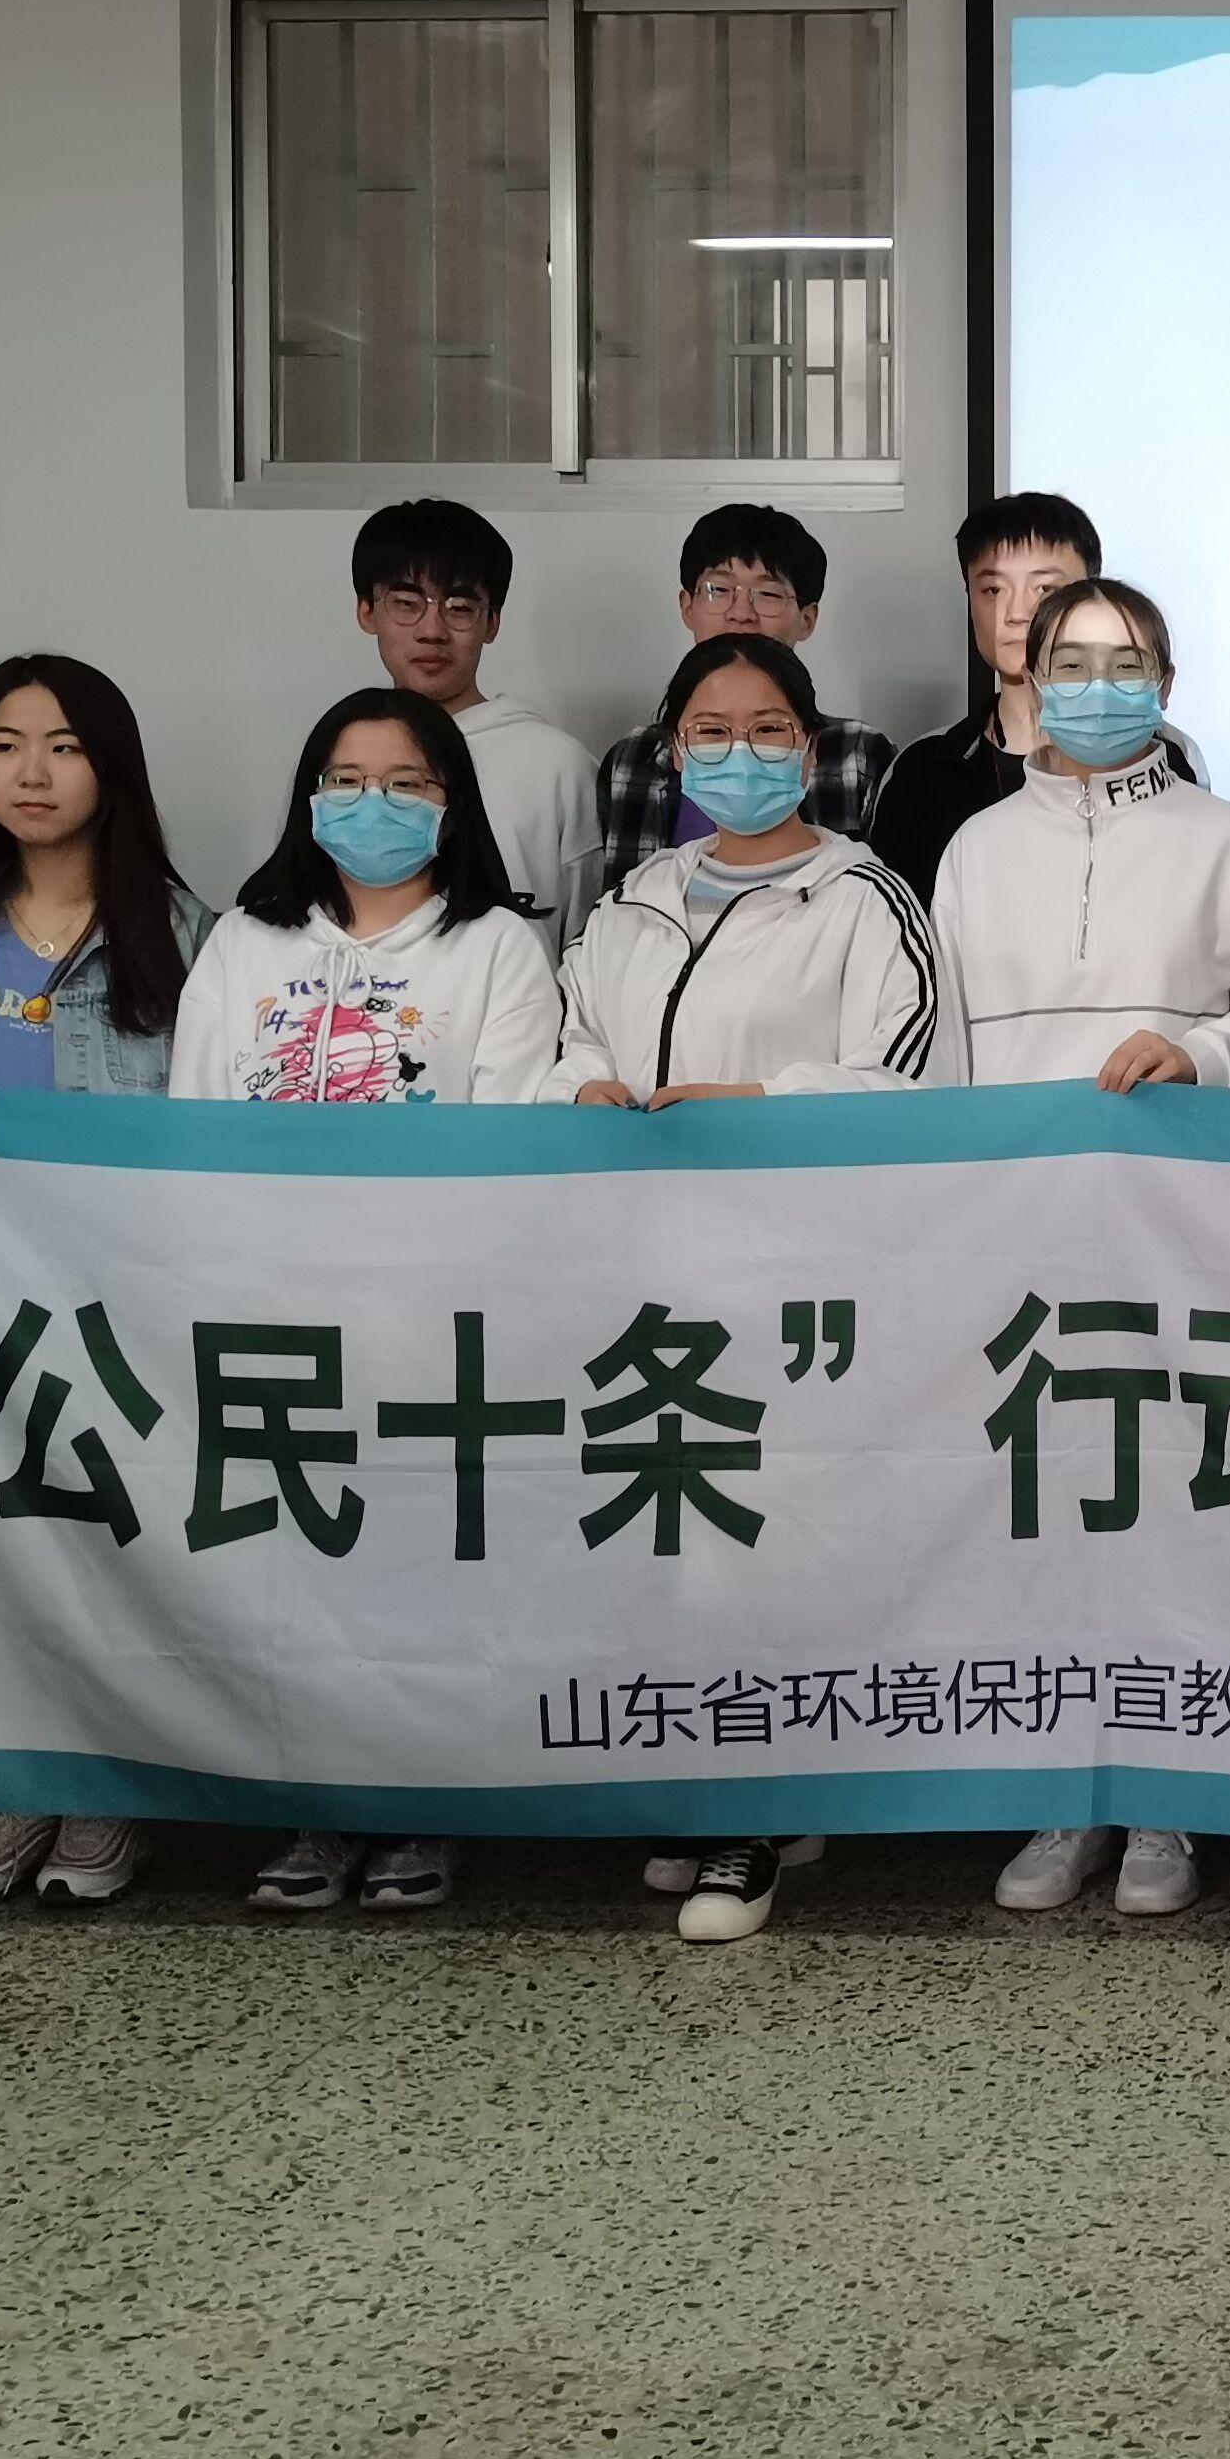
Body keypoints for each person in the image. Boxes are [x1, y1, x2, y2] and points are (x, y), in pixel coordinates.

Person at [560, 632, 965, 1946]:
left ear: (812, 746)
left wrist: (760, 1103)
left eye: (769, 730)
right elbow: (568, 1038)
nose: (741, 755)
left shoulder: (866, 900)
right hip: (642, 1272)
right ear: (674, 751)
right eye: (712, 733)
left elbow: (913, 1087)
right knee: (672, 1535)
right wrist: (581, 1091)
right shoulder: (631, 903)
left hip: (797, 1277)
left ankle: (760, 1807)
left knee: (771, 1541)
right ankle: (713, 1786)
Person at [936, 576, 1230, 1929]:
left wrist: (1199, 1050)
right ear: (1030, 678)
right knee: (1042, 1505)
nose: (1101, 685)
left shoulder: (1228, 841)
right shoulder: (975, 848)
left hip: (1178, 1226)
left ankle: (1168, 1794)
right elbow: (943, 1043)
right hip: (1019, 1227)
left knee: (1175, 1504)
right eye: (1074, 660)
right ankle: (1063, 1786)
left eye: (1129, 659)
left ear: (1167, 681)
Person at [177, 687, 561, 1919]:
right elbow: (196, 1121)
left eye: (406, 783)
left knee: (420, 1568)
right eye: (346, 780)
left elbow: (509, 1139)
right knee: (294, 1569)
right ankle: (315, 1806)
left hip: (425, 1315)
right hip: (272, 1308)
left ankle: (421, 1808)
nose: (372, 805)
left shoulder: (495, 947)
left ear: (451, 805)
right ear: (308, 797)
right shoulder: (244, 942)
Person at [0, 656, 215, 1916]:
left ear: (110, 768)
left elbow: (209, 1132)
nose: (31, 772)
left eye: (64, 745)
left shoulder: (181, 932)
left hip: (122, 1304)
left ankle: (107, 1787)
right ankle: (11, 1785)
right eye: (5, 745)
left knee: (113, 1545)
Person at [874, 491, 1198, 903]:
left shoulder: (1166, 754)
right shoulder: (923, 770)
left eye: (1045, 588)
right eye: (992, 590)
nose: (1016, 613)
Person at [590, 504, 897, 894]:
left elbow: (885, 896)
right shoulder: (633, 762)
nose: (741, 613)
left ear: (807, 618)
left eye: (767, 594)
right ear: (687, 606)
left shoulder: (858, 758)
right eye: (718, 590)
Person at [354, 499, 602, 938]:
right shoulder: (343, 760)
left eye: (459, 607)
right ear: (367, 612)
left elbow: (589, 943)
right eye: (407, 603)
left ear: (492, 623)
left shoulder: (558, 766)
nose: (432, 631)